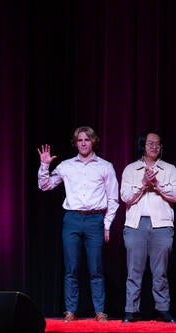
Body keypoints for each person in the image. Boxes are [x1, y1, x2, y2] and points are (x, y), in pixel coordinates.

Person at [37, 126, 120, 322]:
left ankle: (100, 311)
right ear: (75, 143)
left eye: (87, 139)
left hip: (94, 220)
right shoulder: (66, 166)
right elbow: (45, 186)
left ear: (93, 142)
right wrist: (44, 166)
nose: (83, 143)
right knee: (71, 268)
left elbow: (113, 199)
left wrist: (106, 224)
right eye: (80, 140)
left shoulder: (105, 166)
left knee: (96, 269)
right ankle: (70, 311)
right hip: (72, 219)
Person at [120, 129, 176, 324]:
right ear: (143, 146)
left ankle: (163, 309)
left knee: (160, 272)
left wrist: (157, 185)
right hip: (135, 224)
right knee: (134, 271)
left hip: (162, 225)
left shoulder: (170, 169)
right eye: (150, 143)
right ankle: (131, 310)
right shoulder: (131, 170)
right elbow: (125, 197)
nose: (154, 147)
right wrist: (143, 184)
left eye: (157, 144)